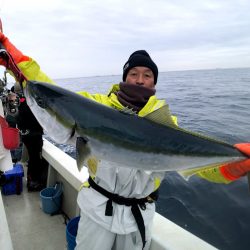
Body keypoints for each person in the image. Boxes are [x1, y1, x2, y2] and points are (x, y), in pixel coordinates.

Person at [1, 31, 250, 250]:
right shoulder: (97, 105)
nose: (140, 80)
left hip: (138, 219)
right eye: (133, 73)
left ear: (154, 82)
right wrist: (9, 51)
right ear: (124, 77)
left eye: (147, 75)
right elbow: (44, 85)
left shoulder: (166, 124)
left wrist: (232, 166)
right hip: (96, 211)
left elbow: (201, 168)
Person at [7, 83, 47, 191]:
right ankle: (32, 183)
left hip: (25, 135)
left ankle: (32, 181)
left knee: (33, 158)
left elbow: (12, 118)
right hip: (33, 135)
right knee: (34, 159)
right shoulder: (27, 103)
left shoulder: (16, 102)